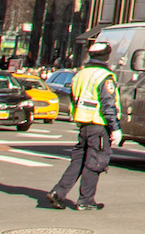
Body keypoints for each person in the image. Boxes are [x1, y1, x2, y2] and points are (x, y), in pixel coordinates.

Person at [47, 40, 120, 212]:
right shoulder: (104, 76)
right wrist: (115, 128)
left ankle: (58, 192)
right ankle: (86, 200)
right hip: (98, 124)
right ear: (106, 57)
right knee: (95, 162)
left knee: (78, 161)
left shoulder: (81, 74)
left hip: (83, 124)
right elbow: (107, 104)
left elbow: (74, 98)